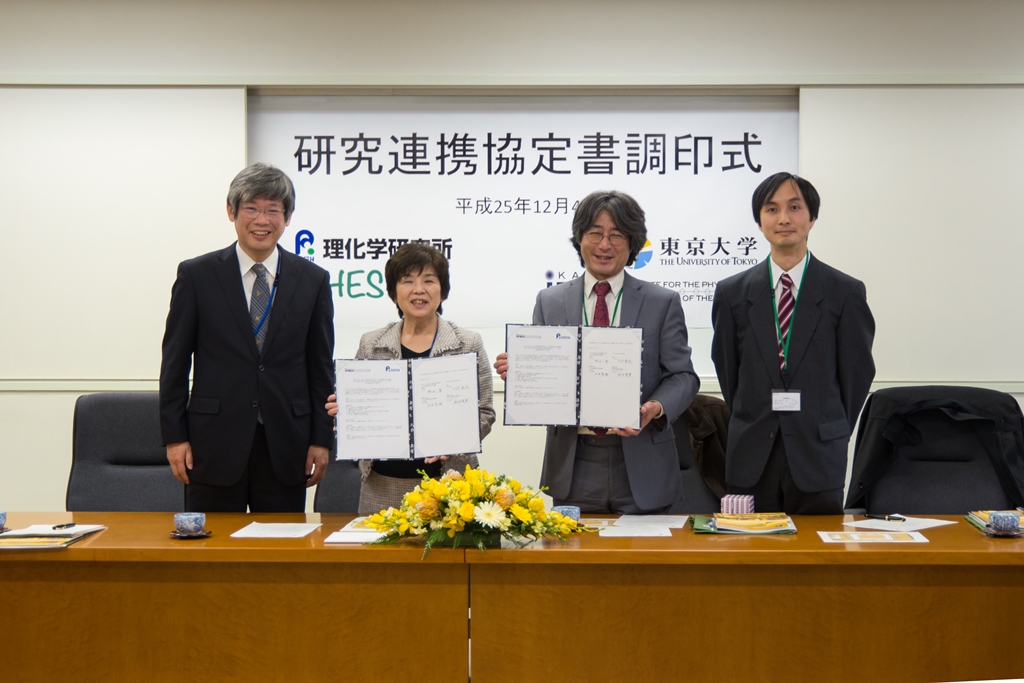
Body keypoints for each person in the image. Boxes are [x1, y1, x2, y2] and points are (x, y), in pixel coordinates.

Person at [495, 191, 700, 514]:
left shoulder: (662, 302)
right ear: (579, 240)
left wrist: (655, 407)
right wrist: (520, 374)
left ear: (633, 243)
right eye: (595, 234)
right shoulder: (550, 301)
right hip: (574, 462)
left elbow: (683, 376)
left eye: (616, 235)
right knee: (574, 561)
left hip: (642, 460)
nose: (605, 245)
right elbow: (545, 378)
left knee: (643, 562)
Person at [160, 163, 335, 512]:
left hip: (287, 443)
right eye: (252, 208)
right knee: (212, 555)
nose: (262, 220)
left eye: (273, 210)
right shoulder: (197, 275)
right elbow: (175, 363)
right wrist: (175, 437)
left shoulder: (313, 280)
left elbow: (320, 368)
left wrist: (321, 439)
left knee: (280, 555)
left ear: (287, 218)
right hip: (212, 443)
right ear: (231, 211)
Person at [711, 172, 875, 514]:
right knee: (750, 557)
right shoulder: (732, 294)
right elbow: (729, 373)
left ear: (812, 217)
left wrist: (829, 427)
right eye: (771, 209)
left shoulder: (844, 292)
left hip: (818, 453)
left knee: (819, 560)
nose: (784, 218)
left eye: (794, 207)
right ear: (759, 221)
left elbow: (856, 376)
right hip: (751, 452)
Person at [326, 242, 495, 515]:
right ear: (394, 293)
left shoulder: (467, 343)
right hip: (380, 488)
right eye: (407, 281)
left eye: (429, 280)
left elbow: (485, 413)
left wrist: (454, 439)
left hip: (449, 488)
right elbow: (358, 409)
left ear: (443, 290)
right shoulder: (371, 344)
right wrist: (344, 412)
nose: (419, 289)